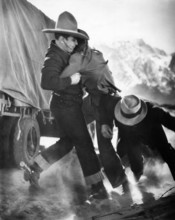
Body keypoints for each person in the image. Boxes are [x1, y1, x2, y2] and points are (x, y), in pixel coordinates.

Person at [24, 11, 108, 200]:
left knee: (67, 143)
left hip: (68, 105)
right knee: (85, 143)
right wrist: (70, 80)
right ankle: (98, 188)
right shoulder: (54, 56)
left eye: (75, 41)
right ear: (60, 39)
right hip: (66, 107)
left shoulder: (65, 53)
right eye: (70, 40)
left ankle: (34, 167)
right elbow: (47, 81)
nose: (73, 44)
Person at [59, 29, 129, 191]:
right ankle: (104, 182)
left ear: (81, 45)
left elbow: (68, 80)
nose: (73, 46)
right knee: (78, 130)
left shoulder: (80, 59)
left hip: (104, 102)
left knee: (104, 147)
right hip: (98, 100)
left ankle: (121, 182)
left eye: (76, 43)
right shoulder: (95, 54)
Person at [99, 94, 175, 182]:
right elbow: (103, 104)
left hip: (154, 137)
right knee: (134, 159)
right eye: (127, 119)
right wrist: (104, 123)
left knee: (167, 153)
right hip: (130, 139)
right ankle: (137, 178)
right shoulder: (115, 104)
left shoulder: (154, 111)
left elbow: (172, 122)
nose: (132, 123)